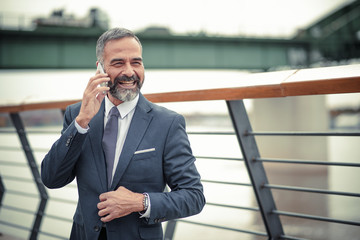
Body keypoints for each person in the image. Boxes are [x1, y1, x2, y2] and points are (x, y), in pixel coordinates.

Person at [41, 27, 205, 240]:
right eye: (118, 63)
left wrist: (140, 202)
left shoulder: (168, 123)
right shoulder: (77, 114)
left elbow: (194, 197)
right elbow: (52, 178)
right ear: (99, 68)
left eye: (136, 62)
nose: (129, 72)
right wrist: (81, 123)